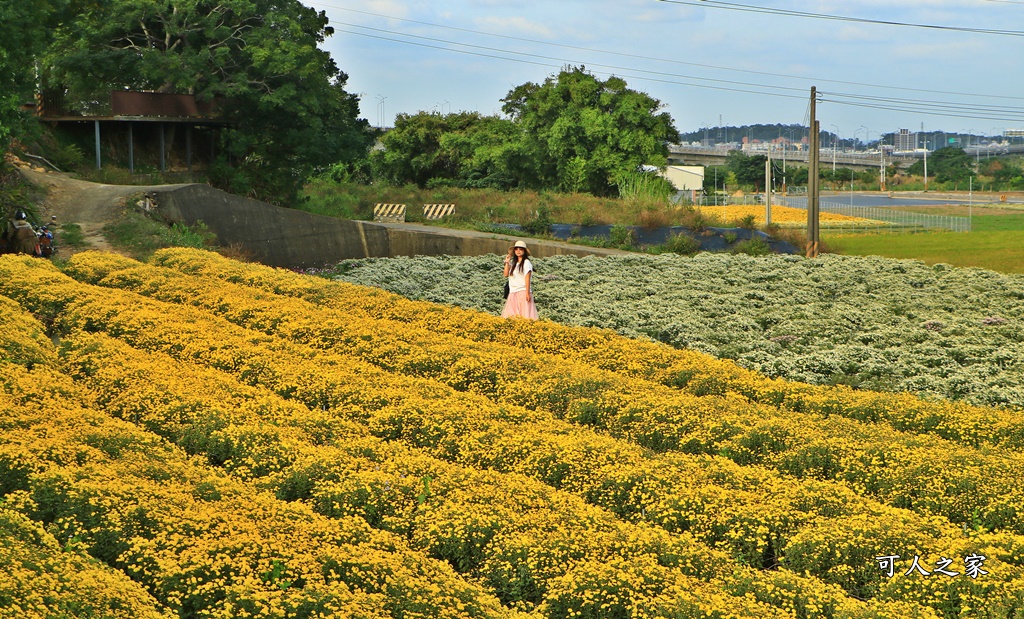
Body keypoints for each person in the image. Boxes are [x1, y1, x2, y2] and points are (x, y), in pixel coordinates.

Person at [501, 240, 538, 320]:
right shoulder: (514, 263)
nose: (518, 251)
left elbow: (527, 278)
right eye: (516, 249)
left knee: (524, 315)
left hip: (522, 291)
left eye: (520, 249)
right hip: (513, 292)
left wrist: (527, 293)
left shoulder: (526, 262)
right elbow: (505, 274)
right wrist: (507, 262)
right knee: (512, 316)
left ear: (524, 251)